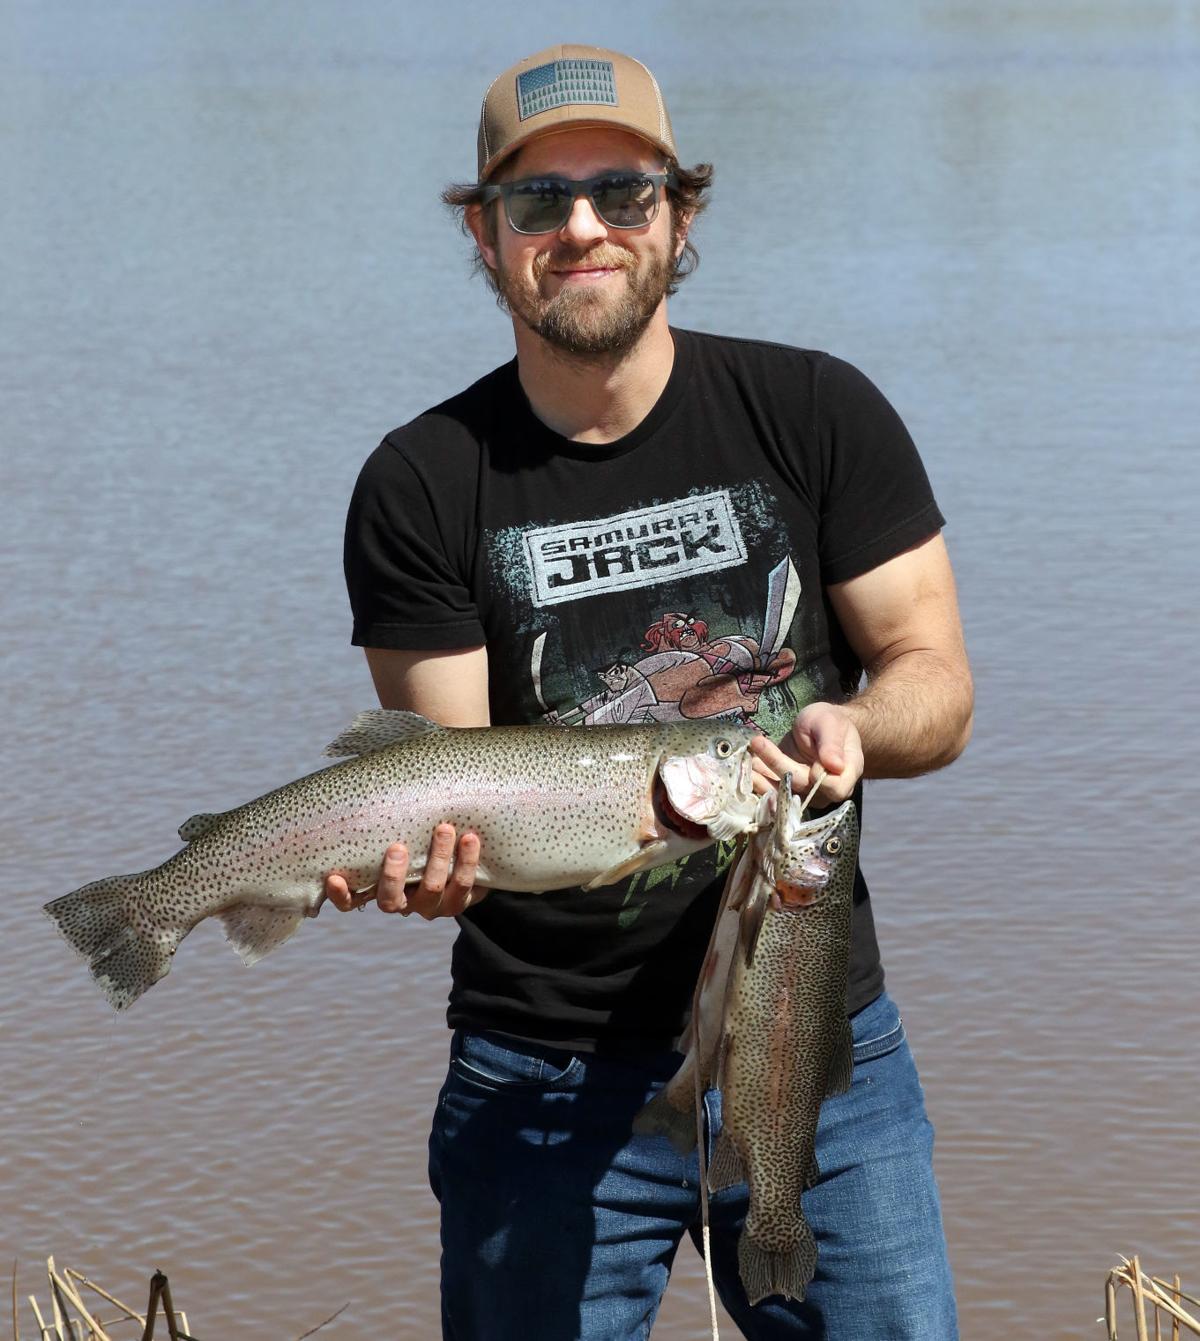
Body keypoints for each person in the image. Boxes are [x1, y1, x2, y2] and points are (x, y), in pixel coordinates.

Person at [324, 43, 973, 1341]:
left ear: (681, 215)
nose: (582, 228)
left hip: (813, 1043)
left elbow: (935, 682)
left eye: (622, 193)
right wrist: (429, 860)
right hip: (541, 1080)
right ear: (484, 230)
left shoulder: (816, 411)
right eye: (536, 200)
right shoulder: (420, 483)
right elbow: (455, 772)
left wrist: (854, 725)